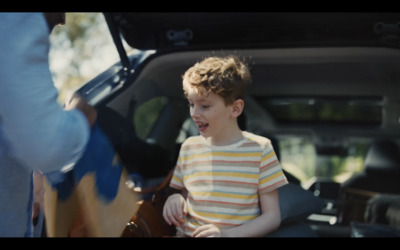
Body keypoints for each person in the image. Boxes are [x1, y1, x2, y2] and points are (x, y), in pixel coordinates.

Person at [162, 55, 289, 237]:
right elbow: (185, 195)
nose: (194, 114)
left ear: (235, 109)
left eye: (204, 106)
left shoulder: (260, 150)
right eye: (191, 104)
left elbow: (272, 217)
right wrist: (176, 199)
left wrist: (226, 235)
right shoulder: (189, 147)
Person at [0, 13, 97, 237]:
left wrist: (33, 181)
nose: (63, 19)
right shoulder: (17, 17)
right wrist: (80, 116)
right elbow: (47, 145)